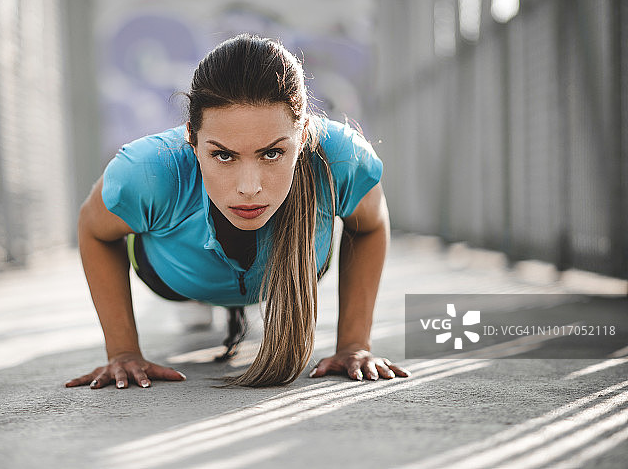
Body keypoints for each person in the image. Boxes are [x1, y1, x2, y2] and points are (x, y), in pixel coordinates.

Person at [65, 34, 410, 389]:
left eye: (272, 153)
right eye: (223, 155)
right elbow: (94, 229)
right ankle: (198, 302)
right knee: (188, 282)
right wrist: (122, 352)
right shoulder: (149, 170)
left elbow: (370, 225)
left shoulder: (341, 157)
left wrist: (354, 344)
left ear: (303, 135)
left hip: (278, 276)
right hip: (176, 280)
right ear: (192, 139)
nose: (249, 187)